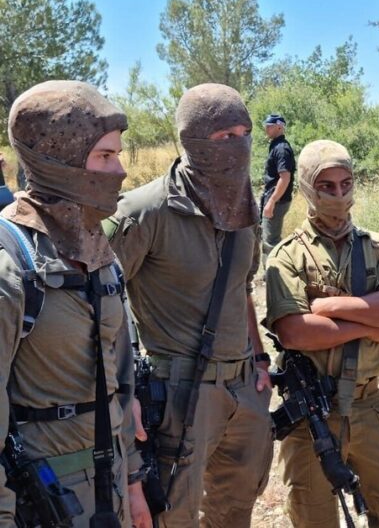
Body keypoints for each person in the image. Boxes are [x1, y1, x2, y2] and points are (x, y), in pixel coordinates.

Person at [104, 83, 273, 528]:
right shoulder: (143, 213)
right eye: (222, 137)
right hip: (181, 392)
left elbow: (242, 289)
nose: (237, 146)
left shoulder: (243, 209)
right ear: (192, 141)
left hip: (244, 388)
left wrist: (258, 360)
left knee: (236, 508)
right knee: (172, 515)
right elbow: (99, 305)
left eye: (244, 132)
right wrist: (122, 393)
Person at [0, 81, 149, 527]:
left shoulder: (96, 251)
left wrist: (134, 485)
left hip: (110, 491)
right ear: (60, 159)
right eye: (105, 156)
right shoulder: (11, 262)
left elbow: (118, 384)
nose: (120, 171)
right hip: (42, 499)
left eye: (118, 154)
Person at [265, 139, 379, 527]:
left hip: (370, 405)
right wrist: (369, 324)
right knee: (313, 517)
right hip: (311, 414)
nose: (339, 195)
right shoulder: (287, 255)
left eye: (346, 183)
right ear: (305, 188)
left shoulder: (378, 246)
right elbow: (294, 332)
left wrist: (329, 307)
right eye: (326, 186)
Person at [260, 113, 295, 257]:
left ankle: (272, 276)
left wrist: (272, 202)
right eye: (266, 126)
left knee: (270, 241)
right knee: (267, 237)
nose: (266, 129)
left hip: (277, 201)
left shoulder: (281, 149)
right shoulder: (275, 145)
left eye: (270, 126)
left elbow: (285, 178)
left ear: (280, 127)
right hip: (273, 198)